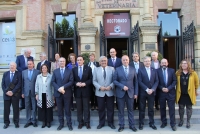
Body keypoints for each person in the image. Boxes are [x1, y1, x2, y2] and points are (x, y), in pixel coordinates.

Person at [113, 55, 138, 132]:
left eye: (126, 60)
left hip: (130, 93)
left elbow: (136, 82)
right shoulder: (117, 69)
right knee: (121, 111)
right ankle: (121, 126)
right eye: (124, 60)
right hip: (120, 93)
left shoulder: (133, 69)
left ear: (129, 60)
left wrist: (136, 93)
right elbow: (114, 80)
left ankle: (132, 125)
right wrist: (122, 86)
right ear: (121, 61)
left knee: (130, 110)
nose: (125, 61)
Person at [93, 56, 115, 129]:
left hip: (110, 92)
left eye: (105, 61)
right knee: (101, 109)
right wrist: (99, 87)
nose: (103, 62)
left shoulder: (112, 69)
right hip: (100, 92)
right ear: (99, 62)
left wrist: (111, 86)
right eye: (102, 61)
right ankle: (101, 123)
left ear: (107, 61)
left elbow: (115, 80)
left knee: (110, 108)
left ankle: (110, 123)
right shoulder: (96, 70)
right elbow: (94, 81)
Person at [51, 57, 74, 131]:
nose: (62, 62)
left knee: (67, 110)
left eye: (63, 61)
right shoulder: (55, 71)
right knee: (60, 110)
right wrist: (59, 89)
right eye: (60, 61)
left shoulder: (69, 71)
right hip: (58, 94)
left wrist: (63, 87)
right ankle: (61, 124)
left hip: (67, 93)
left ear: (65, 62)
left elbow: (71, 81)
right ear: (58, 62)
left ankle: (69, 124)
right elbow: (53, 82)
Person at [176, 60, 199, 129]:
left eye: (185, 63)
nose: (184, 65)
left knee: (189, 108)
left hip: (189, 93)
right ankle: (181, 120)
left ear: (188, 65)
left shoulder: (193, 73)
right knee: (181, 108)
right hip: (181, 93)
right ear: (181, 65)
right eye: (182, 63)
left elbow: (197, 82)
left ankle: (188, 121)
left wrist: (196, 90)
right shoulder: (178, 73)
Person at [138, 56, 158, 130]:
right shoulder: (140, 70)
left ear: (150, 62)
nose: (147, 62)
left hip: (152, 93)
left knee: (151, 109)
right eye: (146, 61)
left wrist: (152, 89)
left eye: (148, 61)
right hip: (143, 92)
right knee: (142, 108)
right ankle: (141, 123)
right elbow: (139, 81)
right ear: (143, 62)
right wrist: (146, 89)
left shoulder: (154, 70)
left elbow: (157, 81)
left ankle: (151, 123)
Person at [72, 55, 92, 129]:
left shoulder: (88, 68)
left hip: (86, 91)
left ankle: (87, 122)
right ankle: (80, 122)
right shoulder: (74, 69)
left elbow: (91, 79)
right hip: (77, 92)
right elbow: (72, 80)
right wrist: (76, 83)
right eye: (78, 60)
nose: (79, 61)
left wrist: (85, 83)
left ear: (83, 61)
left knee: (86, 108)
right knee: (79, 108)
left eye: (80, 60)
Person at [157, 59, 177, 131]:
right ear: (160, 64)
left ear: (167, 63)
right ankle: (164, 122)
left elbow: (175, 81)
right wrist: (162, 88)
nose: (164, 64)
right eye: (162, 63)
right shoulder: (157, 71)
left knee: (171, 109)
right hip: (161, 93)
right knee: (162, 109)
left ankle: (173, 124)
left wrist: (169, 88)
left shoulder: (172, 70)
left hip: (170, 92)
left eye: (165, 62)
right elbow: (156, 82)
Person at [1, 62, 21, 129]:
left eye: (13, 66)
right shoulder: (5, 74)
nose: (12, 67)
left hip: (15, 95)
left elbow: (19, 84)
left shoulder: (18, 74)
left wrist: (12, 92)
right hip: (7, 95)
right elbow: (3, 84)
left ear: (16, 67)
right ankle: (6, 122)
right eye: (11, 66)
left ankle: (16, 122)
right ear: (9, 66)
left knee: (16, 110)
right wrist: (6, 92)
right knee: (6, 110)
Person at [22, 60, 40, 128]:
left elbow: (38, 83)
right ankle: (28, 121)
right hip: (26, 92)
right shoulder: (24, 72)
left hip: (34, 92)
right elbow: (22, 83)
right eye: (28, 64)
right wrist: (22, 92)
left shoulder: (37, 72)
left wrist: (37, 93)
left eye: (30, 64)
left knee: (34, 107)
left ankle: (34, 121)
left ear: (33, 64)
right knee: (27, 107)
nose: (29, 65)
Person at [35, 64, 54, 128]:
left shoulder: (50, 76)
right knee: (42, 109)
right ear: (41, 69)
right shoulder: (38, 76)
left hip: (49, 95)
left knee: (48, 109)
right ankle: (43, 122)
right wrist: (36, 93)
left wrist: (53, 94)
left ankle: (48, 122)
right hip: (41, 94)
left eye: (45, 68)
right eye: (43, 68)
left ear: (47, 69)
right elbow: (36, 85)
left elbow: (52, 86)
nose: (44, 69)